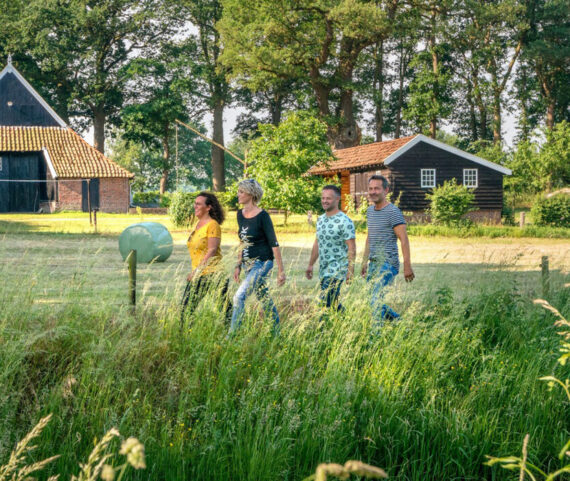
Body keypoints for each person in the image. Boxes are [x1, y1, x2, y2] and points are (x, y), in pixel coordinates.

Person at [229, 179, 286, 334]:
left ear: (251, 194)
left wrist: (281, 271)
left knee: (239, 297)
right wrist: (238, 265)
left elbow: (274, 243)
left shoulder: (263, 216)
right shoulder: (240, 214)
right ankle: (277, 333)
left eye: (241, 192)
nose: (238, 195)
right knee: (264, 298)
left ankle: (232, 337)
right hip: (248, 264)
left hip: (262, 263)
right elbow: (243, 241)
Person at [361, 175, 414, 326]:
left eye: (377, 188)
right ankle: (400, 322)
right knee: (371, 300)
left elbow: (404, 239)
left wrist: (407, 266)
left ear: (386, 190)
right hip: (374, 263)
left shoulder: (393, 212)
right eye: (370, 189)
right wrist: (364, 262)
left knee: (375, 300)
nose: (373, 192)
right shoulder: (370, 211)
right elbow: (369, 238)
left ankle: (374, 340)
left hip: (388, 263)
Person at [180, 192, 231, 327]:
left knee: (225, 310)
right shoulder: (198, 225)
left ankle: (234, 336)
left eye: (198, 204)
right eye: (194, 203)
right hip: (199, 273)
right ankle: (185, 336)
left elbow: (212, 250)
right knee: (186, 308)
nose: (195, 206)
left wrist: (196, 271)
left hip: (212, 274)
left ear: (208, 207)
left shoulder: (212, 225)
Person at [306, 185, 356, 314]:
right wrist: (311, 264)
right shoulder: (321, 220)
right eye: (323, 198)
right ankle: (347, 322)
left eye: (328, 198)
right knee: (332, 302)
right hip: (324, 268)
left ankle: (322, 332)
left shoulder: (344, 221)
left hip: (338, 269)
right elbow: (318, 242)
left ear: (337, 199)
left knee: (325, 301)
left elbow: (351, 246)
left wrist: (350, 270)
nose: (324, 201)